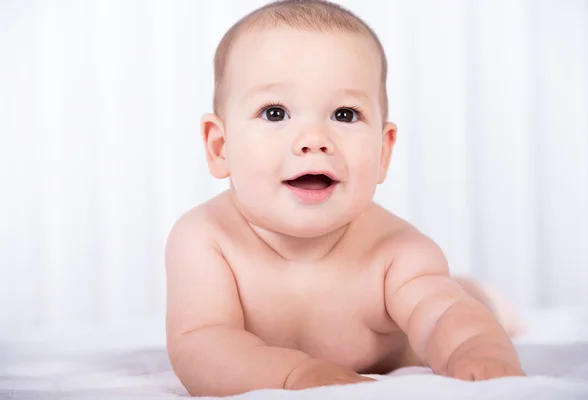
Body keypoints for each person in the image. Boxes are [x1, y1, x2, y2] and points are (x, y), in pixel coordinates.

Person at [164, 0, 526, 396]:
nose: (314, 141)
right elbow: (202, 343)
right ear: (220, 146)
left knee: (464, 299)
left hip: (427, 316)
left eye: (345, 115)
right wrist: (292, 374)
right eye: (274, 113)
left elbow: (443, 316)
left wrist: (477, 348)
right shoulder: (206, 240)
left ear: (384, 151)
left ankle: (490, 300)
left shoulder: (395, 251)